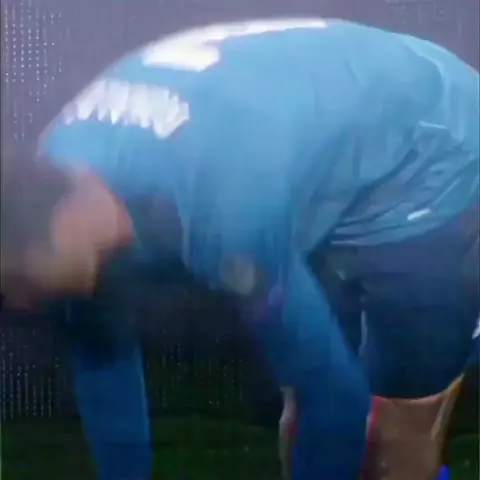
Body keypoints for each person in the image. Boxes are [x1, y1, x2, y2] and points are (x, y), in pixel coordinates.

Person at [1, 18, 478, 480]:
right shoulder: (55, 181)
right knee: (306, 393)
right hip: (309, 139)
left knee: (391, 427)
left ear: (70, 220)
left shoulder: (227, 211)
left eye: (19, 280)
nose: (19, 301)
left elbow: (335, 396)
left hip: (429, 152)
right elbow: (101, 351)